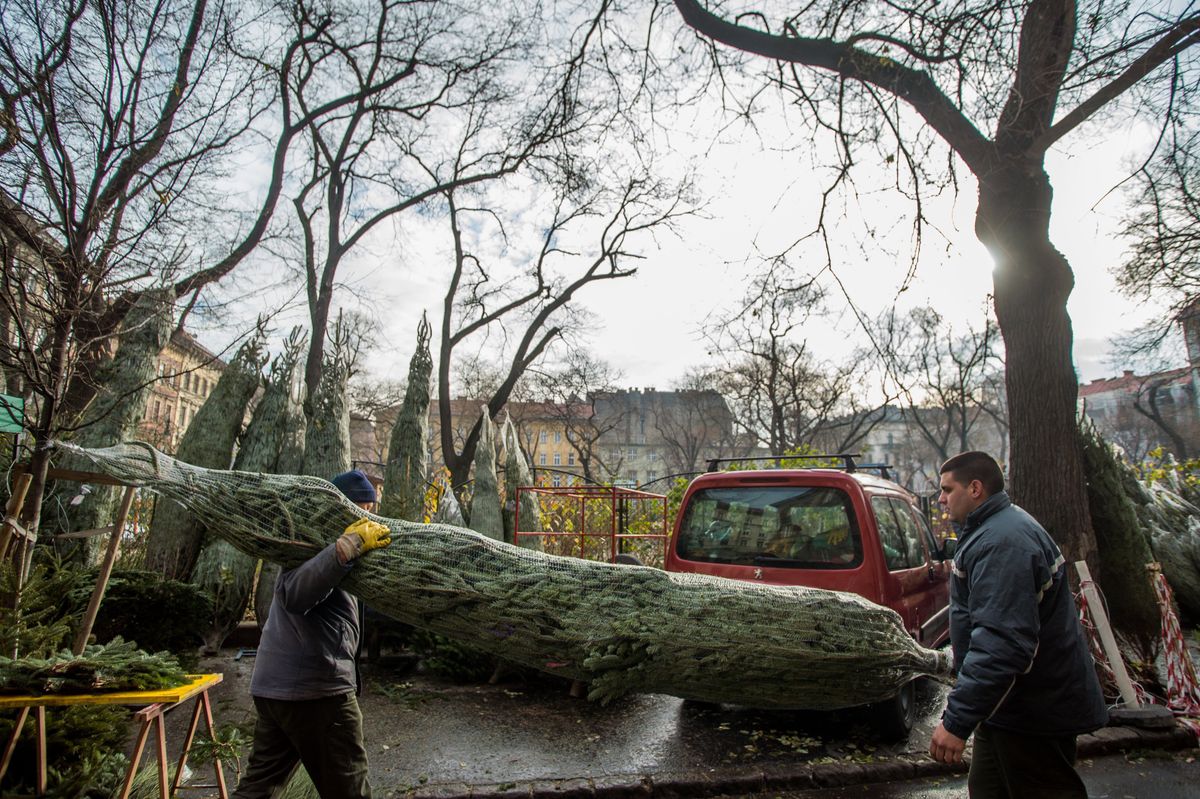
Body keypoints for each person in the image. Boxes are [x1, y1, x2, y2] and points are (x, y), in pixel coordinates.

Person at [927, 451, 1108, 798]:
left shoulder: (1002, 543)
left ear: (975, 488)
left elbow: (1002, 642)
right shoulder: (991, 529)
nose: (941, 498)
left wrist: (957, 720)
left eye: (947, 489)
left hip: (1033, 713)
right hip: (1005, 708)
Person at [232, 469, 391, 799]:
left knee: (258, 789)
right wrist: (346, 547)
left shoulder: (330, 545)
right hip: (316, 691)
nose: (366, 519)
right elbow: (295, 594)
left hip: (279, 688)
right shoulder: (314, 544)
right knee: (349, 789)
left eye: (370, 511)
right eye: (359, 510)